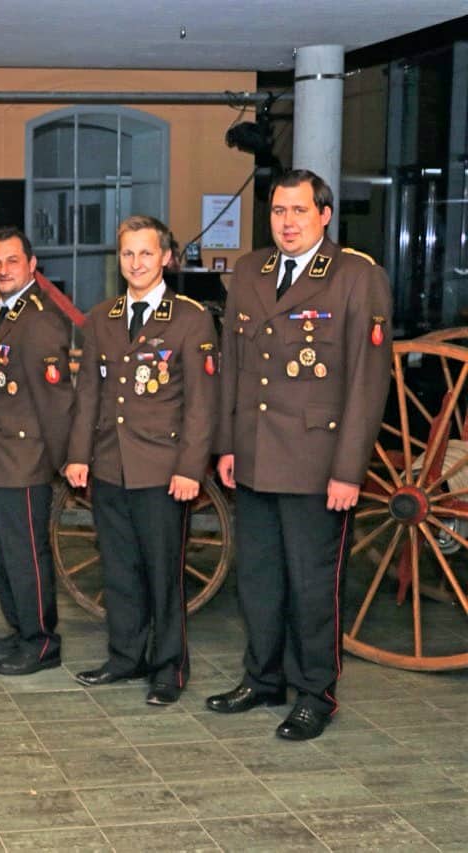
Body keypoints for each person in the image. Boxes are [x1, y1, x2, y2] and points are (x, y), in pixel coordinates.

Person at [211, 169, 392, 740]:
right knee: (258, 579)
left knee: (314, 588)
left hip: (317, 462)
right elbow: (232, 366)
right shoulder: (249, 271)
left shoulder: (356, 276)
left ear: (324, 215)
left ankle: (316, 693)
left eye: (299, 211)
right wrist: (226, 444)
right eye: (278, 211)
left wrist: (349, 470)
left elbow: (367, 383)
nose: (287, 223)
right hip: (254, 455)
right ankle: (262, 679)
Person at [64, 215, 219, 705]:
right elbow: (88, 394)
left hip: (163, 469)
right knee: (119, 570)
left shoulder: (190, 318)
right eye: (128, 254)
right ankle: (125, 656)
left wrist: (190, 468)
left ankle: (169, 669)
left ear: (166, 258)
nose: (136, 263)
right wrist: (78, 455)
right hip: (111, 464)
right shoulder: (101, 318)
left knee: (162, 573)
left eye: (146, 253)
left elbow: (201, 404)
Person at [0, 226, 74, 675]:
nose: (3, 270)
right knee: (3, 552)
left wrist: (60, 460)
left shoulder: (38, 318)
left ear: (32, 265)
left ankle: (41, 642)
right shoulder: (4, 310)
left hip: (25, 458)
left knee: (26, 556)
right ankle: (21, 628)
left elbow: (56, 401)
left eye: (12, 261)